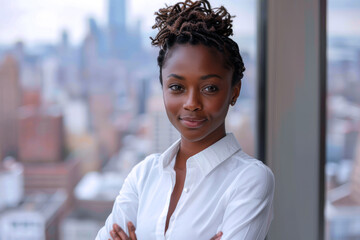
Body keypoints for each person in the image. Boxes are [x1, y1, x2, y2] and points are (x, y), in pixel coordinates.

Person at [96, 0, 274, 239]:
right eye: (177, 87)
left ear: (234, 91)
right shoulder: (144, 174)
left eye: (209, 88)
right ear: (162, 88)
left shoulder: (250, 180)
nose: (191, 102)